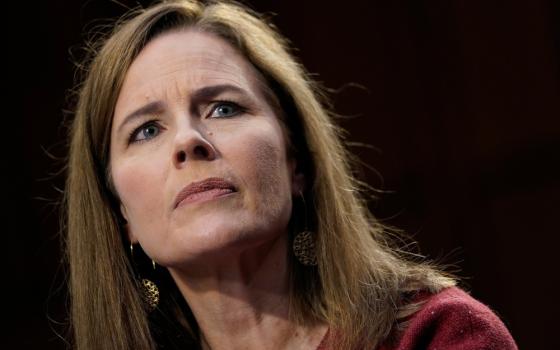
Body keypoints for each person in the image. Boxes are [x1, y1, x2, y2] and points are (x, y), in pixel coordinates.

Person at [63, 1, 518, 349]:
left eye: (223, 108)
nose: (188, 140)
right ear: (120, 211)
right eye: (146, 130)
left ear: (295, 160)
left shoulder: (438, 333)